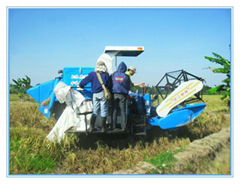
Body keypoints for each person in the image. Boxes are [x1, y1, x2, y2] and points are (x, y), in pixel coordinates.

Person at [79, 61, 111, 132]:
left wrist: (81, 85)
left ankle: (91, 127)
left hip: (95, 94)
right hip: (103, 94)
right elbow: (109, 85)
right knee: (104, 110)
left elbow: (82, 82)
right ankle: (103, 128)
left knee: (95, 111)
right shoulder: (106, 75)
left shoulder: (92, 74)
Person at [111, 62, 132, 131]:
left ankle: (113, 126)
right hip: (123, 95)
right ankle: (123, 127)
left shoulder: (113, 74)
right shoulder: (126, 76)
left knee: (114, 110)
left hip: (114, 94)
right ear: (125, 68)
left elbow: (110, 83)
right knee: (123, 111)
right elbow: (129, 87)